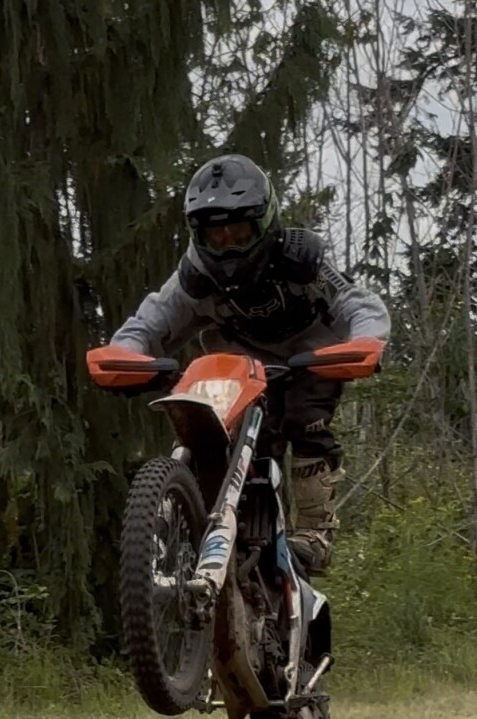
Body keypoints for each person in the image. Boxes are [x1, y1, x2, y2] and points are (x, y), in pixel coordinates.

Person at [110, 154, 390, 572]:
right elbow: (149, 322)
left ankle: (314, 533)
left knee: (304, 420)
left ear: (264, 222)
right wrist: (125, 354)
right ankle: (203, 518)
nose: (227, 245)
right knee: (218, 428)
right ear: (197, 234)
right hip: (239, 368)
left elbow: (356, 302)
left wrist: (365, 340)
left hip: (310, 361)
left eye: (238, 232)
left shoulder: (300, 261)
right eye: (215, 235)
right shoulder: (196, 277)